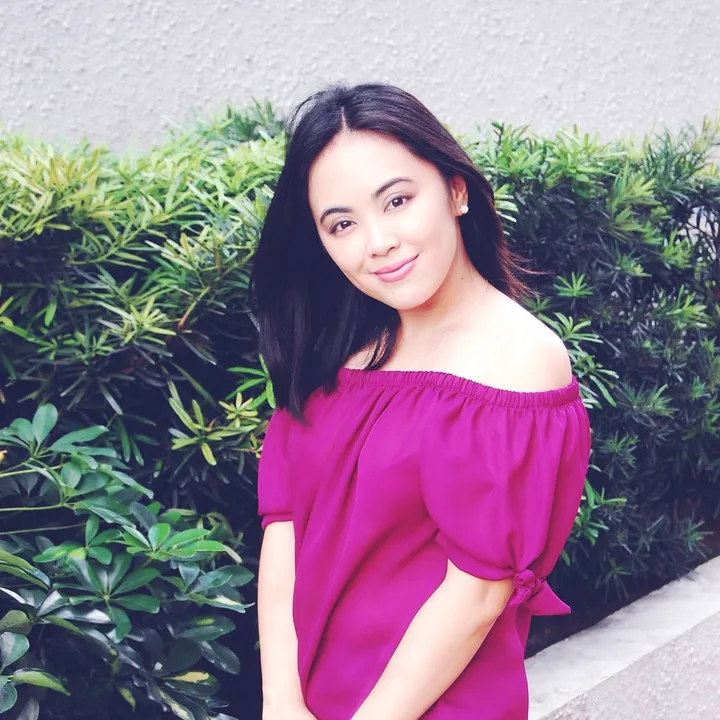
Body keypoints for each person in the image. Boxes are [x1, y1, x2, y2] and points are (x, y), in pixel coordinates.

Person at [251, 83, 592, 720]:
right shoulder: (339, 347)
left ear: (456, 191)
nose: (377, 241)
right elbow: (286, 526)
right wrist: (282, 701)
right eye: (342, 223)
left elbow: (477, 594)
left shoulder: (519, 360)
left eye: (398, 200)